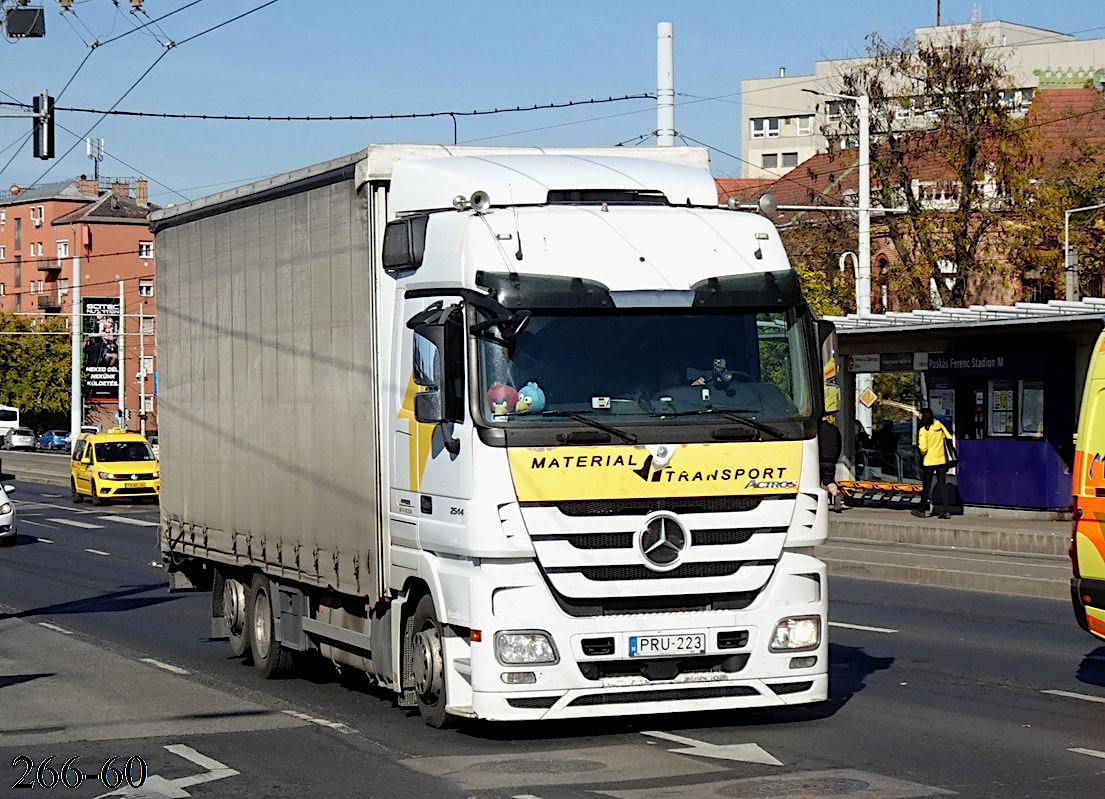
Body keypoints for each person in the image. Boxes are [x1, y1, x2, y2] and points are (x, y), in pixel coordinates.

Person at [912, 407, 952, 519]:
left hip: (929, 461)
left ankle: (921, 509)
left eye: (920, 415)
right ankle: (945, 511)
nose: (918, 416)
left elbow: (923, 448)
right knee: (942, 484)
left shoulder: (923, 431)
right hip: (941, 460)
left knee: (927, 485)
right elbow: (948, 437)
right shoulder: (939, 425)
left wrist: (921, 453)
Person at [818, 412, 843, 511]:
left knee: (815, 483)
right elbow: (839, 445)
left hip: (818, 460)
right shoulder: (834, 429)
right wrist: (835, 458)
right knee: (830, 481)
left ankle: (818, 503)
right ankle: (836, 495)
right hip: (830, 461)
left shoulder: (816, 429)